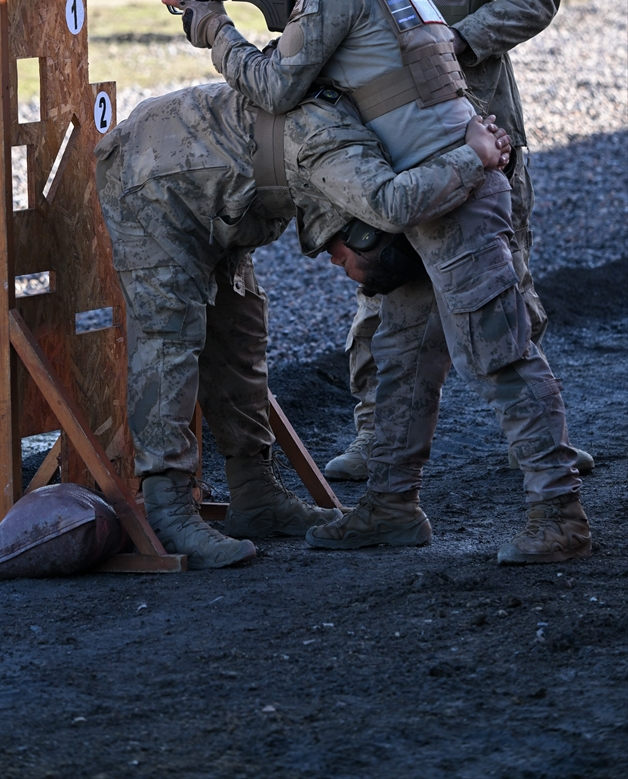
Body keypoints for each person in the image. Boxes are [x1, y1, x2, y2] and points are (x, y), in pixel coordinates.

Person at [170, 0, 590, 565]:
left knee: (501, 355)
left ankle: (560, 514)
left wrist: (212, 28)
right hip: (436, 186)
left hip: (448, 192)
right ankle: (391, 506)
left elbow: (274, 87)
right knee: (403, 356)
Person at [95, 79, 509, 570]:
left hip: (216, 191)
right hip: (154, 174)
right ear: (365, 234)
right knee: (170, 337)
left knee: (240, 331)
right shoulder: (352, 172)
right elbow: (397, 202)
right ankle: (167, 507)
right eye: (350, 264)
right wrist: (474, 156)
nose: (335, 264)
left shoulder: (359, 172)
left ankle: (255, 493)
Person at [322, 0, 592, 481]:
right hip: (384, 125)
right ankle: (377, 438)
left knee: (504, 277)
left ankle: (538, 441)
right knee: (381, 281)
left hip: (480, 114)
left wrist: (457, 41)